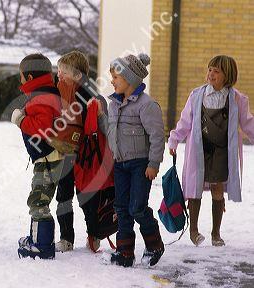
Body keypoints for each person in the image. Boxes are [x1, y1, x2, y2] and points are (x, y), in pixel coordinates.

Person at [168, 55, 254, 247]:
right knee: (194, 188)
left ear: (227, 75)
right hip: (200, 149)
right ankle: (194, 231)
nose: (211, 74)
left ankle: (216, 233)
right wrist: (174, 139)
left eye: (217, 71)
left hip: (222, 152)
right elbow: (185, 122)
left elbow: (249, 123)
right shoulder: (197, 95)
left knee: (217, 188)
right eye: (210, 69)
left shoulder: (237, 99)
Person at [95, 53, 165, 267]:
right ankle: (125, 252)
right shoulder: (114, 104)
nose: (113, 81)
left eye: (116, 77)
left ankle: (154, 244)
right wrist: (101, 117)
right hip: (120, 164)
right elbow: (112, 131)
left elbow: (157, 136)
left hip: (140, 165)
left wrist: (153, 164)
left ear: (131, 79)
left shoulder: (147, 105)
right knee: (121, 208)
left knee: (137, 207)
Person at [11, 53, 63, 259]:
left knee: (38, 201)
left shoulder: (42, 97)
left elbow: (42, 127)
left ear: (30, 78)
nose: (20, 81)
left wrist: (21, 120)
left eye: (22, 77)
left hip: (48, 159)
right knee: (40, 199)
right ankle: (38, 240)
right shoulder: (49, 92)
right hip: (49, 158)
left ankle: (42, 245)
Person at [54, 50, 95, 252]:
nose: (59, 75)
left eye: (64, 72)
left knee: (86, 196)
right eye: (58, 71)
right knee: (63, 195)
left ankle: (93, 234)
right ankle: (66, 237)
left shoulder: (86, 94)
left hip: (85, 153)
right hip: (63, 152)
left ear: (78, 75)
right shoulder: (56, 91)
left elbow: (94, 120)